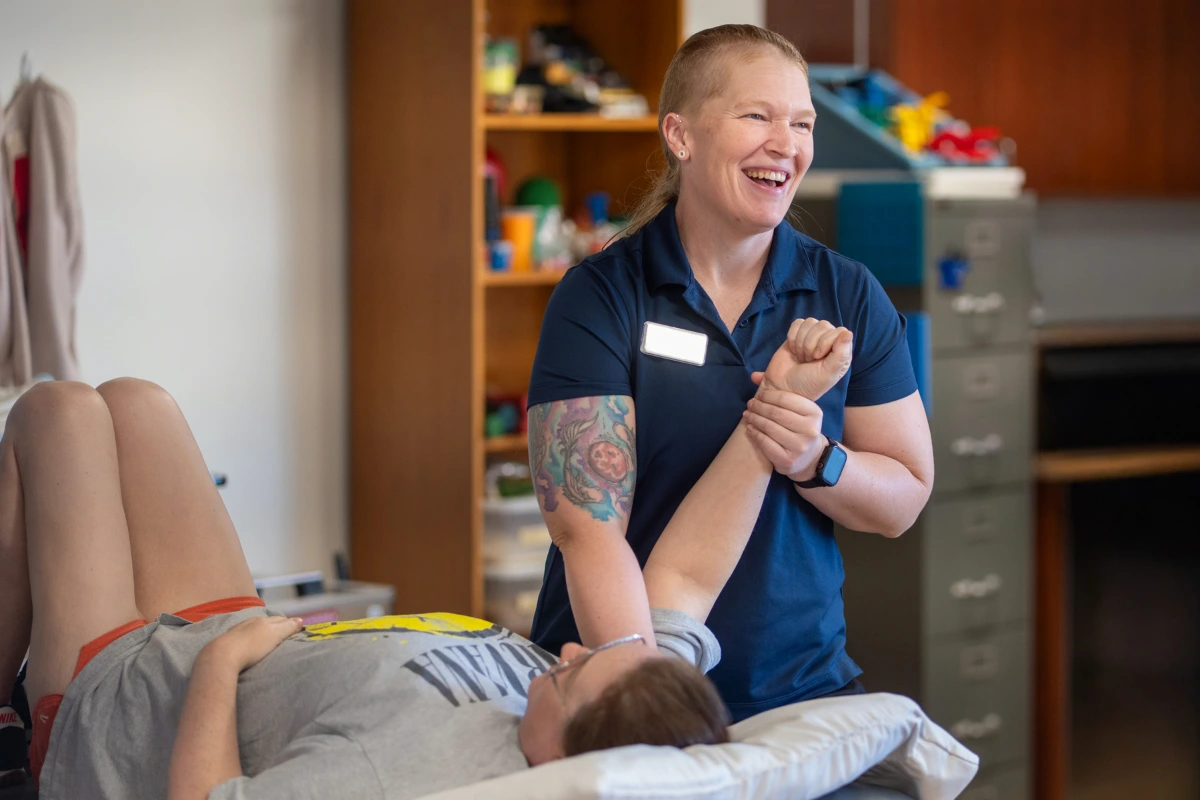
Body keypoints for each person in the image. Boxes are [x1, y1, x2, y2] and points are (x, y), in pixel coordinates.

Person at [0, 319, 851, 798]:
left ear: (565, 757)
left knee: (56, 413)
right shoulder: (624, 696)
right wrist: (776, 411)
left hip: (119, 700)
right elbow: (687, 576)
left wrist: (224, 663)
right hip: (237, 629)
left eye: (570, 679)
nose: (565, 650)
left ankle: (13, 725)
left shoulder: (411, 774)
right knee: (136, 402)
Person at [526, 24, 935, 722]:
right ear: (680, 136)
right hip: (618, 681)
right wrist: (638, 694)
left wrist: (814, 459)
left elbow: (904, 497)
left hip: (798, 687)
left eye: (802, 122)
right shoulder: (602, 295)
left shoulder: (847, 293)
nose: (788, 143)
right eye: (758, 116)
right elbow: (585, 530)